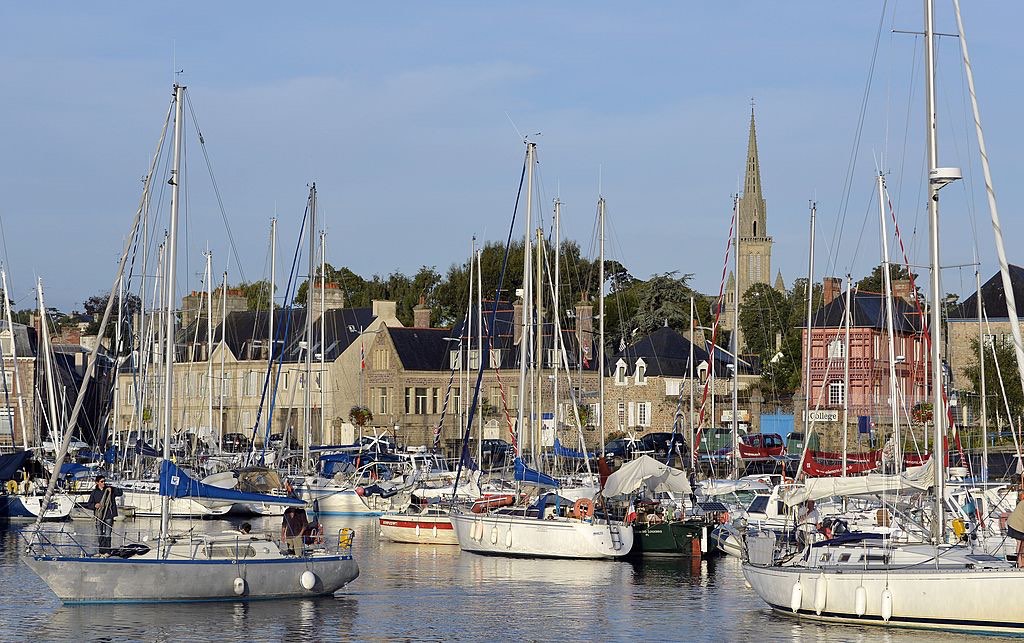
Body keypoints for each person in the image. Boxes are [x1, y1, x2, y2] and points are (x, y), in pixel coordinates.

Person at [85, 475, 122, 555]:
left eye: (104, 481)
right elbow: (89, 504)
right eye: (102, 481)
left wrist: (112, 489)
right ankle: (101, 551)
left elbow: (120, 493)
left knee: (108, 533)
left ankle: (107, 551)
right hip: (99, 516)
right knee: (99, 533)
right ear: (97, 483)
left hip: (108, 514)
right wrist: (95, 505)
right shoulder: (94, 492)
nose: (103, 483)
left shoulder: (109, 490)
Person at [1007, 496, 1024, 567]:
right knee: (1020, 543)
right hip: (1016, 525)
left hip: (1019, 523)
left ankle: (1021, 562)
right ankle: (1020, 563)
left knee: (1021, 544)